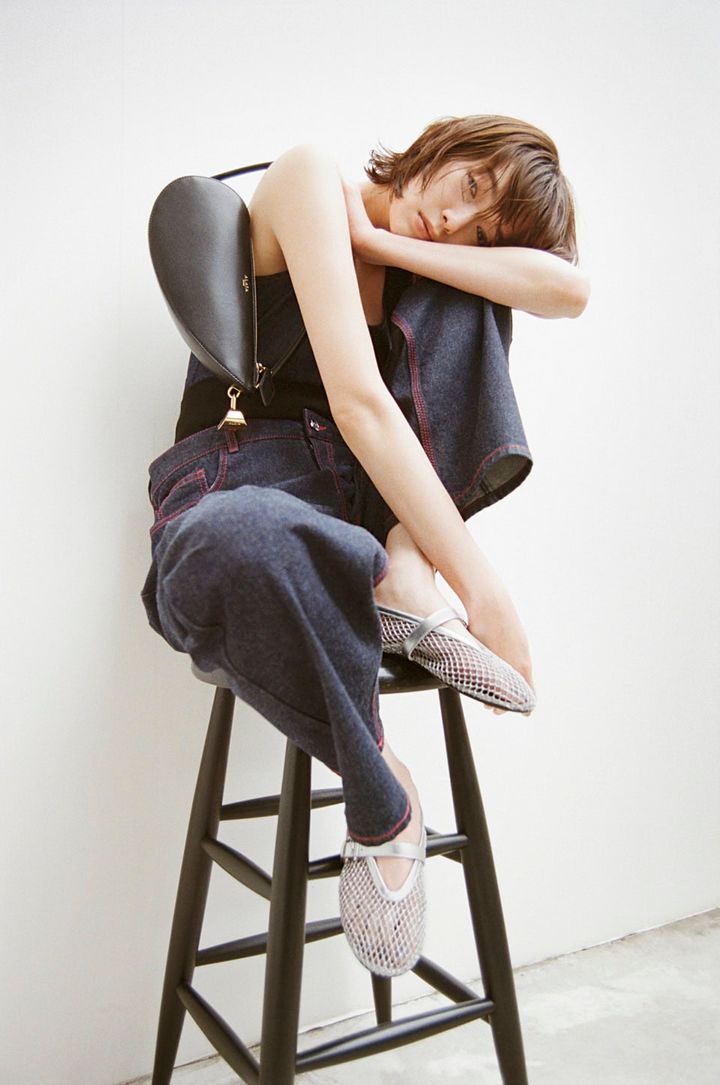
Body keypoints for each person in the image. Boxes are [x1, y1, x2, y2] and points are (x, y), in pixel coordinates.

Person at [142, 115, 589, 978]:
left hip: (363, 511)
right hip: (249, 489)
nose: (455, 221)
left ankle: (403, 572)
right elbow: (358, 404)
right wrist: (487, 593)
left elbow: (567, 291)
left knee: (471, 301)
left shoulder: (429, 258)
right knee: (234, 539)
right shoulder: (311, 173)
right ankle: (384, 791)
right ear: (446, 143)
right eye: (469, 186)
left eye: (484, 232)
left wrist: (393, 247)